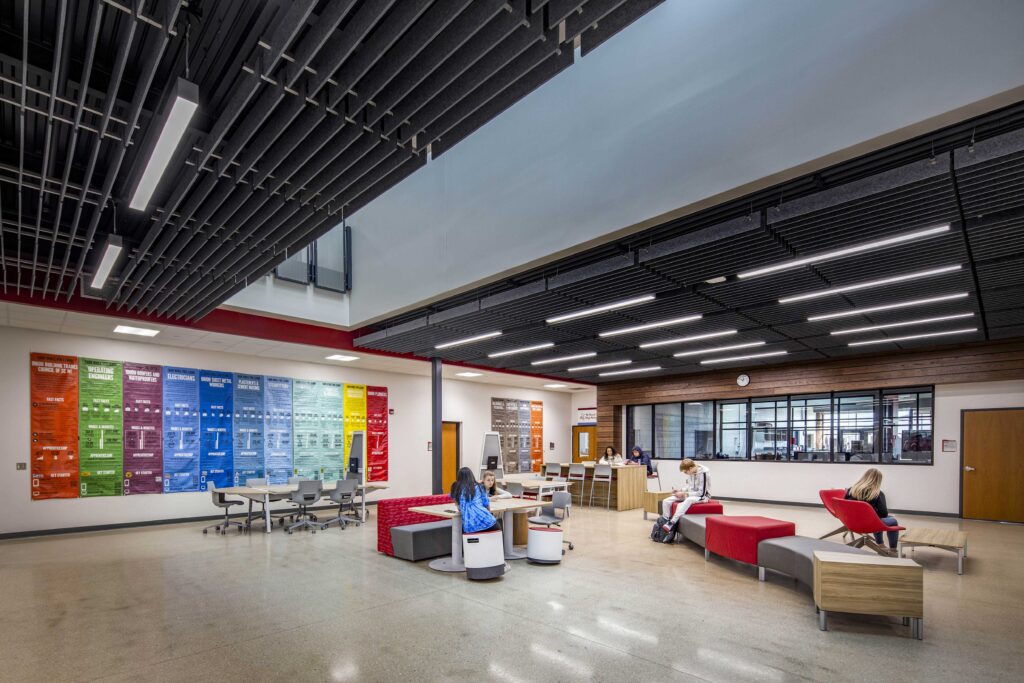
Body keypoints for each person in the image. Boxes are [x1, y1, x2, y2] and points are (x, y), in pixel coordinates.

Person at [846, 468, 900, 552]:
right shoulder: (877, 493)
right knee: (893, 521)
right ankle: (893, 550)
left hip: (851, 523)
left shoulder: (850, 490)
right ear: (878, 481)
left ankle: (881, 545)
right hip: (868, 524)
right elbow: (883, 514)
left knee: (878, 518)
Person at [660, 459, 710, 538]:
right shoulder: (690, 473)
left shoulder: (703, 474)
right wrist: (680, 490)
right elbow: (688, 486)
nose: (685, 473)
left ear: (690, 468)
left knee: (686, 501)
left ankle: (671, 523)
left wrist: (684, 494)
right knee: (666, 501)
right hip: (690, 494)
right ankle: (665, 521)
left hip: (702, 497)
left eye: (685, 472)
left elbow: (701, 493)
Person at [450, 467, 500, 533]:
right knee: (498, 528)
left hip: (469, 527)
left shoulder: (456, 488)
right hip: (487, 521)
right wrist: (488, 514)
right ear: (471, 476)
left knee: (464, 531)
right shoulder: (480, 486)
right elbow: (486, 505)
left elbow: (459, 507)